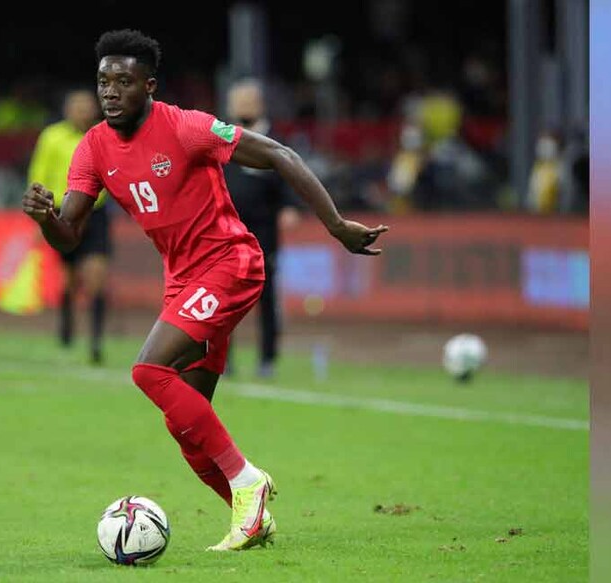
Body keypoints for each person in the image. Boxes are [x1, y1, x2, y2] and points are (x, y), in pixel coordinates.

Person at [21, 29, 388, 552]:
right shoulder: (93, 148)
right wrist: (45, 218)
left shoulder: (188, 127)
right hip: (184, 281)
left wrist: (336, 226)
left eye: (124, 81)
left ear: (149, 86)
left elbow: (281, 154)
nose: (110, 92)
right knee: (186, 425)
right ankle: (250, 517)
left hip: (231, 264)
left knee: (148, 370)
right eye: (104, 81)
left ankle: (248, 482)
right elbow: (70, 235)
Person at [221, 78, 302, 379]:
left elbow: (293, 176)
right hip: (227, 229)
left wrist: (290, 207)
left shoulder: (275, 140)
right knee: (224, 296)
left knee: (264, 295)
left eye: (248, 101)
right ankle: (223, 358)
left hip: (264, 229)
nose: (243, 106)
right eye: (238, 101)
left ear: (260, 105)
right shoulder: (222, 138)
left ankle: (267, 358)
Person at [27, 89, 112, 365]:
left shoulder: (104, 135)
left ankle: (96, 341)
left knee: (96, 277)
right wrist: (39, 216)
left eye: (87, 106)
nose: (82, 111)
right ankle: (66, 325)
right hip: (62, 213)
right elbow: (38, 174)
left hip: (96, 212)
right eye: (77, 106)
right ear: (67, 110)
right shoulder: (52, 137)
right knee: (70, 280)